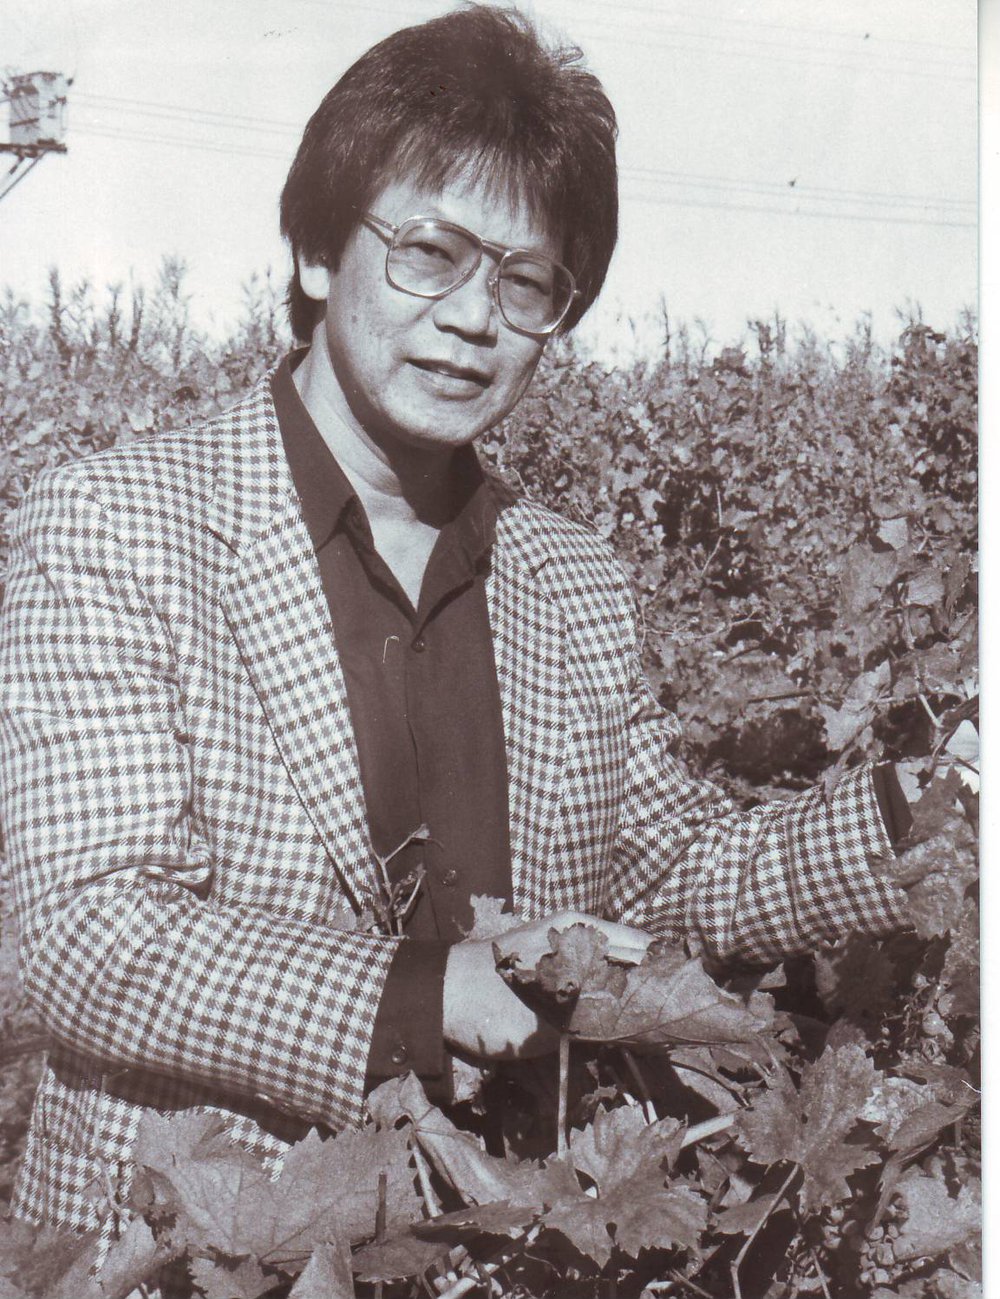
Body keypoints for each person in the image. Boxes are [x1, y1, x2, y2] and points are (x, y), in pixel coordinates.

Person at [0, 3, 910, 1242]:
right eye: (430, 252)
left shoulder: (567, 575)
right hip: (179, 1247)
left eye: (526, 281)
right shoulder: (121, 523)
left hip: (496, 1247)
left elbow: (672, 872)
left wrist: (921, 806)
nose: (475, 318)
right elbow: (79, 926)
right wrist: (426, 999)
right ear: (321, 251)